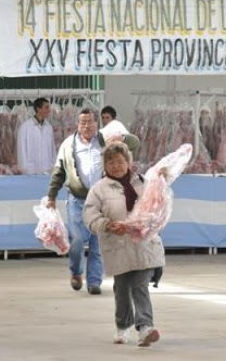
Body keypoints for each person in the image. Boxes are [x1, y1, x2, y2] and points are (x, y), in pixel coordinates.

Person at [46, 108, 140, 295]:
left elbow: (134, 144)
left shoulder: (105, 141)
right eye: (83, 122)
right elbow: (58, 172)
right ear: (77, 125)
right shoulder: (68, 144)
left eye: (90, 122)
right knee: (77, 240)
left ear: (97, 124)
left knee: (99, 242)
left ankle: (94, 282)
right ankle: (75, 271)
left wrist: (121, 139)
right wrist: (51, 196)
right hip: (77, 199)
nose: (87, 126)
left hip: (101, 200)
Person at [83, 142, 165, 347]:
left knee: (140, 285)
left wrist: (150, 221)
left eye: (120, 161)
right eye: (111, 162)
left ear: (128, 162)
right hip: (117, 248)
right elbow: (90, 215)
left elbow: (158, 205)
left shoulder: (143, 182)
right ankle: (122, 325)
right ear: (105, 165)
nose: (116, 166)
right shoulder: (98, 189)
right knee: (121, 288)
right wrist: (107, 225)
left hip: (143, 246)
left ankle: (145, 327)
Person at [17, 97, 56, 175]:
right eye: (46, 107)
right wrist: (24, 168)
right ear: (38, 109)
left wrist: (53, 165)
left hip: (47, 170)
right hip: (30, 171)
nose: (49, 110)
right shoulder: (25, 127)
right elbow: (21, 150)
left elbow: (52, 149)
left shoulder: (49, 127)